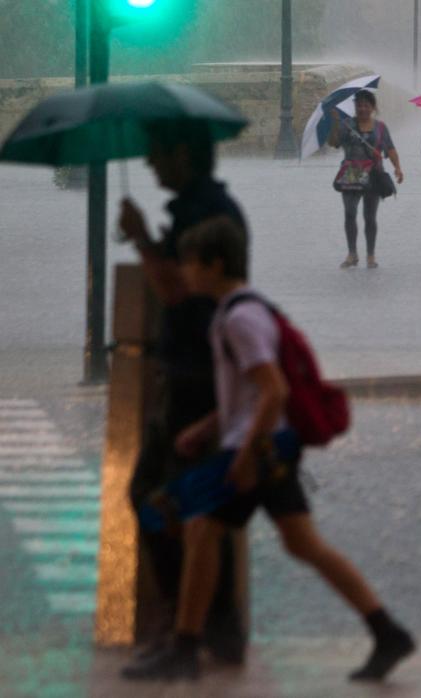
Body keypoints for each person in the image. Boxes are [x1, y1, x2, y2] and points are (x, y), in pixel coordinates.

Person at [123, 216, 416, 682]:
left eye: (192, 264)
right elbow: (253, 391)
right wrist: (207, 427)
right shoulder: (239, 311)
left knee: (196, 529)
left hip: (259, 450)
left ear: (215, 265)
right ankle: (386, 630)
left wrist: (243, 454)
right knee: (301, 544)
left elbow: (274, 390)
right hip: (267, 446)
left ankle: (184, 647)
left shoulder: (239, 319)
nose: (185, 273)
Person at [116, 120, 248, 669]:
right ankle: (212, 631)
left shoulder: (202, 215)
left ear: (183, 154)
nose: (150, 165)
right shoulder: (206, 206)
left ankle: (185, 634)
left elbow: (174, 291)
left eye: (156, 154)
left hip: (197, 378)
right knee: (193, 508)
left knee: (157, 498)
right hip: (198, 373)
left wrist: (143, 235)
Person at [329, 90, 403, 269]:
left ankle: (370, 255)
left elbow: (390, 149)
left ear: (373, 107)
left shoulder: (380, 128)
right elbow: (333, 143)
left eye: (366, 105)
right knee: (349, 213)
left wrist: (397, 167)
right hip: (352, 172)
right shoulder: (347, 125)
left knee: (370, 216)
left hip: (373, 173)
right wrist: (335, 123)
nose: (362, 109)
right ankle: (352, 253)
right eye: (359, 105)